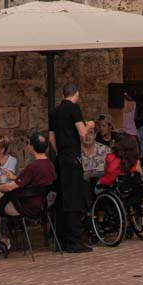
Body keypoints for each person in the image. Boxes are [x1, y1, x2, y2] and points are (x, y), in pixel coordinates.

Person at [0, 130, 56, 256]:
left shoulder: (33, 167)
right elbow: (32, 183)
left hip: (23, 206)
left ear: (31, 147)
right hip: (42, 205)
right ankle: (1, 237)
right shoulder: (49, 165)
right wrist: (15, 177)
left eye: (28, 144)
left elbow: (10, 187)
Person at [49, 83, 93, 253]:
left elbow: (51, 137)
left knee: (62, 197)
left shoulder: (54, 112)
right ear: (76, 94)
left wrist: (59, 151)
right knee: (74, 196)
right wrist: (89, 124)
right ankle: (75, 239)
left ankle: (62, 238)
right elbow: (82, 133)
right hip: (73, 156)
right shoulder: (74, 108)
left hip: (61, 158)